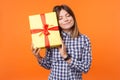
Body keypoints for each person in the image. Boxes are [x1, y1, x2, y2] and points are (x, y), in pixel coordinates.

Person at [32, 4, 92, 80]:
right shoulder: (51, 38)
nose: (66, 19)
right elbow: (48, 65)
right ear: (56, 22)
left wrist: (66, 56)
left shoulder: (84, 40)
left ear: (73, 17)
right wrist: (38, 56)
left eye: (68, 15)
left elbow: (86, 68)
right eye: (60, 18)